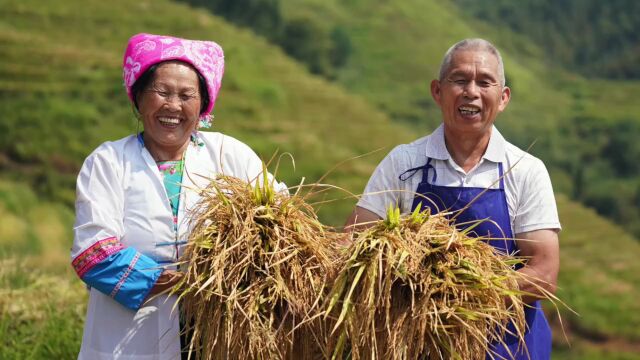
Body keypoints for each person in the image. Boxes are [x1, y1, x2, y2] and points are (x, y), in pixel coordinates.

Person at [71, 33, 284, 359]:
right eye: (161, 92)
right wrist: (188, 282)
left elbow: (281, 215)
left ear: (203, 106)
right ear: (139, 98)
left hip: (216, 339)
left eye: (187, 95)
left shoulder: (229, 154)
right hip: (127, 342)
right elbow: (93, 255)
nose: (173, 105)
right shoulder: (108, 162)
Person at [345, 38, 560, 359]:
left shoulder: (525, 170)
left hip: (507, 349)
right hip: (418, 347)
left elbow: (543, 274)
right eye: (459, 80)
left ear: (503, 98)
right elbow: (354, 243)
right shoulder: (404, 163)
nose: (471, 91)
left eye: (484, 82)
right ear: (437, 91)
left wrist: (461, 295)